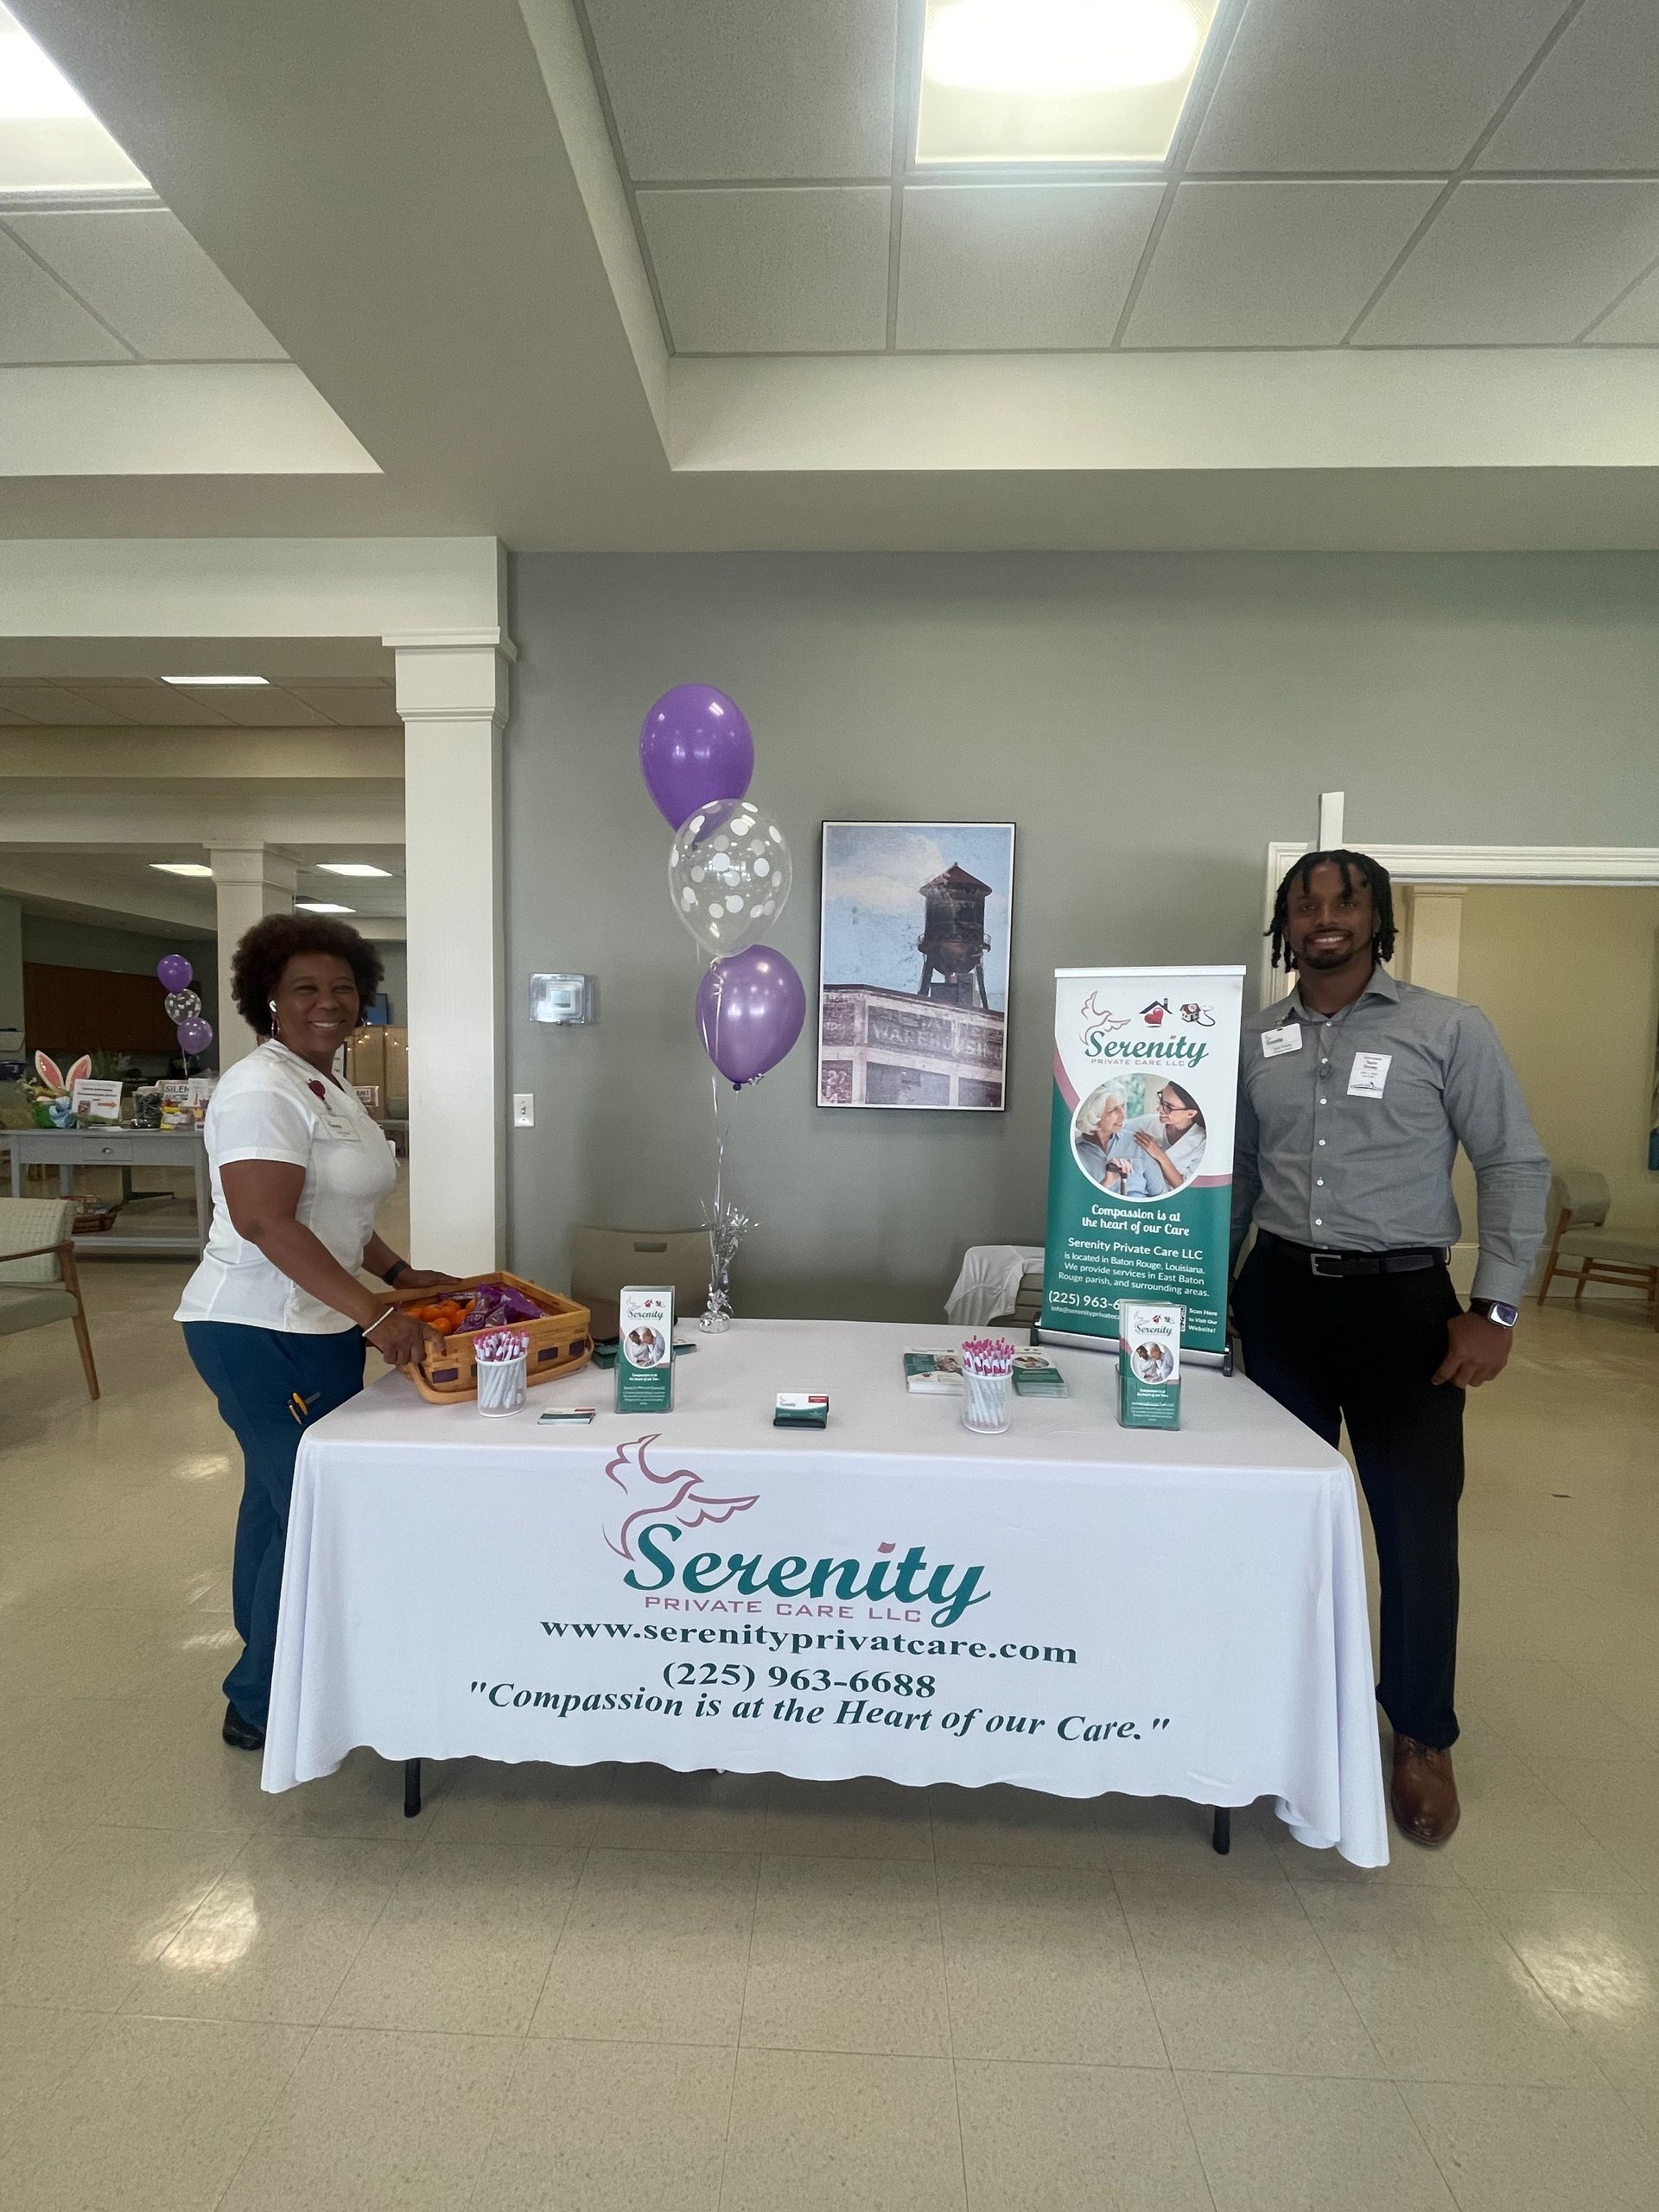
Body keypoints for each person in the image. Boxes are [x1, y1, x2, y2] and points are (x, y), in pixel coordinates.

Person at [1231, 849, 1548, 1846]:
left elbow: (1512, 1164)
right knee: (1278, 1521)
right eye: (1307, 903)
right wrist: (1202, 1297)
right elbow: (1235, 1175)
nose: (1325, 917)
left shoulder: (1447, 1029)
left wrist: (1494, 1310)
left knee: (1414, 1531)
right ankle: (1274, 1714)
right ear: (1286, 921)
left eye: (1345, 901)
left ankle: (1420, 1735)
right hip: (1279, 1298)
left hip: (1406, 1307)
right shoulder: (1255, 1043)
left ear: (1376, 918)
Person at [176, 914, 459, 1751]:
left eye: (342, 987)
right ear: (267, 996)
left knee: (277, 1504)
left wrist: (398, 1275)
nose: (328, 1002)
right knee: (309, 1510)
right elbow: (268, 1221)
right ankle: (263, 1699)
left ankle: (260, 1661)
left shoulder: (321, 1082)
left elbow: (336, 1210)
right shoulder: (260, 1089)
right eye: (305, 987)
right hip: (259, 1328)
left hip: (316, 1320)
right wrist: (377, 1314)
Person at [1121, 1082, 1207, 1195]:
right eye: (1161, 1101)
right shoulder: (1143, 1124)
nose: (1159, 1109)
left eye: (1168, 1107)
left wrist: (1160, 1156)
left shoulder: (1203, 1143)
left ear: (1190, 1113)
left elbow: (1185, 1187)